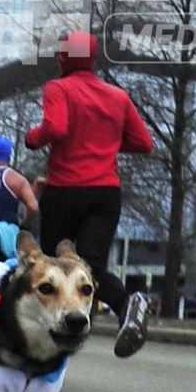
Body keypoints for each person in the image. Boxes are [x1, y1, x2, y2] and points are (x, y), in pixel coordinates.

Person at [25, 31, 155, 358]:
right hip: (105, 193)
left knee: (55, 263)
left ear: (65, 58)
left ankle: (51, 337)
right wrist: (106, 142)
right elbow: (143, 143)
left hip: (65, 190)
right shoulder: (117, 96)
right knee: (91, 264)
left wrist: (32, 137)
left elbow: (55, 128)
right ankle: (129, 306)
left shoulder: (58, 88)